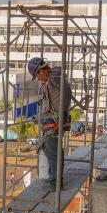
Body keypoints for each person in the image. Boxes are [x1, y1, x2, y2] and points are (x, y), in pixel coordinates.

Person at [28, 57, 72, 189]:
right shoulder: (51, 80)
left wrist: (51, 74)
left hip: (54, 121)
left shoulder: (54, 79)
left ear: (41, 71)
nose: (39, 78)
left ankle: (55, 183)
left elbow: (61, 95)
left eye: (37, 75)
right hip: (54, 119)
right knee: (51, 151)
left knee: (53, 153)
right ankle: (54, 178)